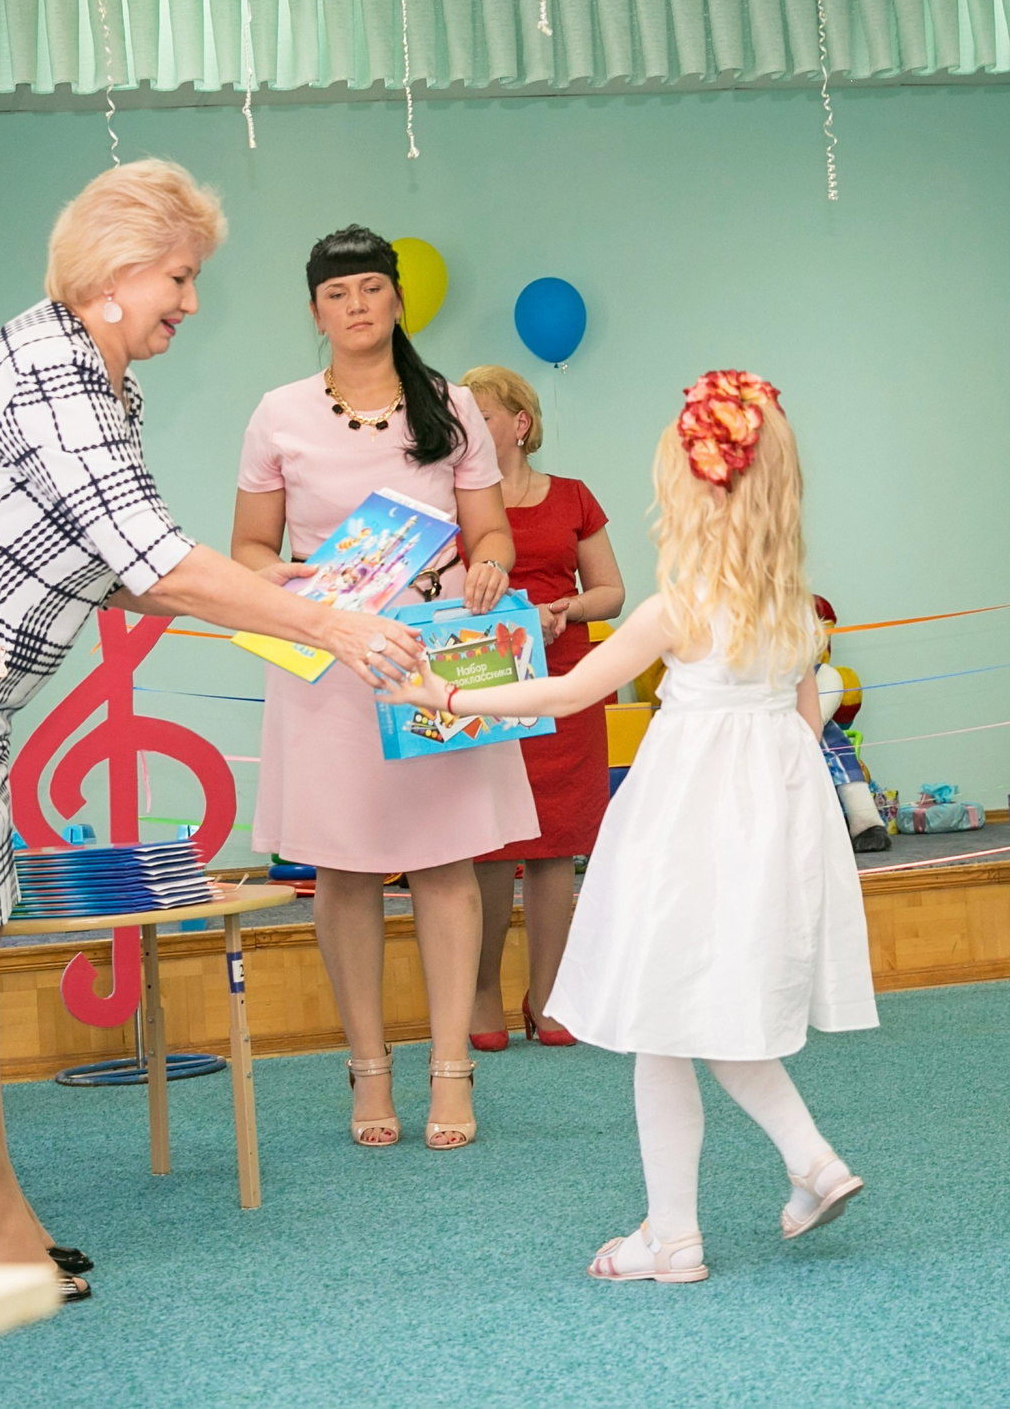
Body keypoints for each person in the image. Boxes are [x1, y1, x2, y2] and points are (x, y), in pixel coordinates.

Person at [0, 163, 424, 1303]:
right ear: (115, 274)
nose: (191, 302)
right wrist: (329, 624)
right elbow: (154, 558)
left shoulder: (100, 381)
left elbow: (121, 567)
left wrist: (293, 590)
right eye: (179, 277)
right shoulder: (52, 370)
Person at [381, 371, 878, 1283]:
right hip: (767, 844)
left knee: (666, 1024)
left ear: (689, 492)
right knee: (699, 1020)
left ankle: (686, 1229)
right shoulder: (793, 614)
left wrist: (447, 695)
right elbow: (806, 731)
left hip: (683, 843)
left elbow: (567, 692)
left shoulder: (676, 611)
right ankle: (793, 1170)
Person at [233, 227, 532, 1152]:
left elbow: (491, 531)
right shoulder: (279, 412)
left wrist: (490, 563)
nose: (356, 305)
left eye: (371, 287)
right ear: (315, 310)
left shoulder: (450, 404)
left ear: (398, 299)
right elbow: (248, 547)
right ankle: (368, 1066)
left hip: (433, 655)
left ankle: (451, 1068)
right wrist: (280, 577)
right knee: (346, 866)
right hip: (328, 656)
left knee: (444, 861)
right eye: (337, 293)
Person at [457, 366, 623, 1051]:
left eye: (482, 415)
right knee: (493, 845)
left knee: (557, 847)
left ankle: (550, 995)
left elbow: (610, 591)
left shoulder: (575, 496)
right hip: (488, 680)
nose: (467, 426)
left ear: (520, 423)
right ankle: (482, 992)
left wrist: (567, 608)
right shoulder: (453, 499)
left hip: (566, 682)